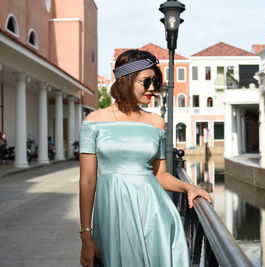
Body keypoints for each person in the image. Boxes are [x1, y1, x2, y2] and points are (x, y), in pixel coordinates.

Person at [79, 49, 212, 267]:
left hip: (154, 215)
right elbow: (87, 181)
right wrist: (86, 235)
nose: (153, 88)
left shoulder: (156, 123)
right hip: (112, 216)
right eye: (147, 81)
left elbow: (160, 175)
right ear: (124, 79)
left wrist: (189, 188)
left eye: (156, 81)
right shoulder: (93, 122)